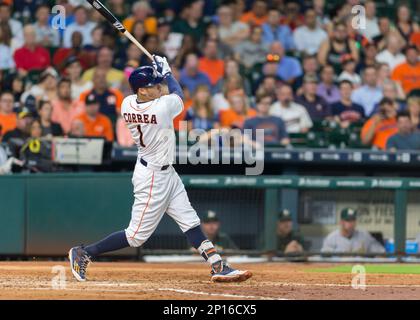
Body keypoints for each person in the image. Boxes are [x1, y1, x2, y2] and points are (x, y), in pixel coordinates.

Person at [68, 56, 252, 283]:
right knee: (136, 236)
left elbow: (164, 92)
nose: (157, 87)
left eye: (157, 84)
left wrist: (160, 76)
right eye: (152, 86)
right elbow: (179, 96)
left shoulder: (127, 103)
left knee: (189, 220)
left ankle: (217, 265)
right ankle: (85, 252)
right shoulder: (160, 108)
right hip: (153, 176)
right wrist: (168, 74)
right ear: (142, 92)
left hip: (165, 171)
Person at [321, 208, 385, 254]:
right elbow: (324, 256)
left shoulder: (364, 236)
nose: (351, 223)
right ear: (341, 222)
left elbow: (381, 252)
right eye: (348, 220)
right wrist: (340, 255)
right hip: (341, 270)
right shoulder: (332, 238)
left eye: (353, 220)